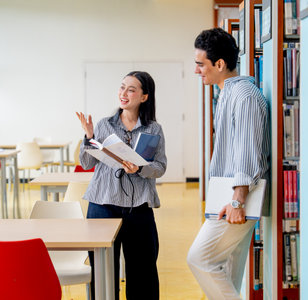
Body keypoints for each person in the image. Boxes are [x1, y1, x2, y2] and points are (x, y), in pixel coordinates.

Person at [187, 28, 270, 299]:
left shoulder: (244, 96)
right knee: (228, 272)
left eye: (201, 64)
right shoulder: (226, 94)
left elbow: (248, 151)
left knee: (199, 259)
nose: (197, 70)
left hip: (236, 200)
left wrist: (237, 201)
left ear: (220, 64)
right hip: (227, 196)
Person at [76, 71, 166, 300]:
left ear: (144, 97)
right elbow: (86, 163)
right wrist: (88, 138)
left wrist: (140, 168)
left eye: (131, 89)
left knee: (143, 273)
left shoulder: (153, 129)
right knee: (104, 272)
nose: (123, 94)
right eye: (122, 87)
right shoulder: (104, 125)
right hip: (102, 205)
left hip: (139, 208)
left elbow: (160, 167)